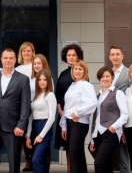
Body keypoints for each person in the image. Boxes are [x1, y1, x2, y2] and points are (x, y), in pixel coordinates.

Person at [0, 47, 31, 173]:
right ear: (2, 60)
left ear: (15, 60)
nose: (8, 60)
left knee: (13, 162)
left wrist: (21, 125)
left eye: (11, 58)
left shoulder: (23, 79)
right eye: (6, 58)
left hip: (13, 127)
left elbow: (25, 105)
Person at [88, 67, 128, 173]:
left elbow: (125, 114)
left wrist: (113, 127)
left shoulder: (118, 93)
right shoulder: (98, 96)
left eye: (107, 76)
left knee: (99, 162)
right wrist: (92, 139)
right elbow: (96, 118)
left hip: (110, 133)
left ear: (112, 78)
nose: (105, 79)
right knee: (105, 162)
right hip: (98, 134)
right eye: (102, 77)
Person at [59, 60, 96, 173]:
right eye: (75, 68)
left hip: (79, 123)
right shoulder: (72, 86)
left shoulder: (86, 85)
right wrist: (64, 126)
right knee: (78, 154)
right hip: (70, 123)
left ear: (84, 71)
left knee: (74, 154)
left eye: (80, 69)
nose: (77, 71)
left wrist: (77, 112)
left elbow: (92, 103)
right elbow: (67, 107)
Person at [54, 43, 84, 173]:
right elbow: (58, 93)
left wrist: (76, 112)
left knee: (75, 146)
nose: (71, 57)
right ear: (65, 57)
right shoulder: (63, 73)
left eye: (73, 55)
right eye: (69, 55)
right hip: (63, 114)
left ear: (78, 56)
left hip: (75, 116)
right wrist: (59, 109)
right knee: (67, 145)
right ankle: (69, 170)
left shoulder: (81, 72)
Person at [25, 69, 56, 173]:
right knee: (40, 161)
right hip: (34, 127)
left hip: (44, 127)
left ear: (48, 81)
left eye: (45, 80)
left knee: (36, 160)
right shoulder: (36, 96)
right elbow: (31, 117)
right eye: (40, 80)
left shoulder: (50, 95)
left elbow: (52, 117)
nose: (42, 82)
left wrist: (41, 135)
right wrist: (28, 136)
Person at [108, 45, 131, 173]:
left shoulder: (129, 73)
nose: (115, 57)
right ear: (109, 57)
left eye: (117, 54)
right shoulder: (108, 73)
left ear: (122, 56)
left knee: (123, 153)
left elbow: (131, 95)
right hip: (109, 118)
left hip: (123, 117)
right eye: (113, 54)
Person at [14, 42, 35, 171]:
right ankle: (27, 160)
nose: (26, 53)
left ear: (33, 53)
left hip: (37, 105)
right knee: (23, 134)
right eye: (24, 51)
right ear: (21, 54)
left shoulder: (36, 66)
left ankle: (36, 160)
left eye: (29, 50)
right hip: (22, 106)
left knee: (35, 133)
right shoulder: (17, 69)